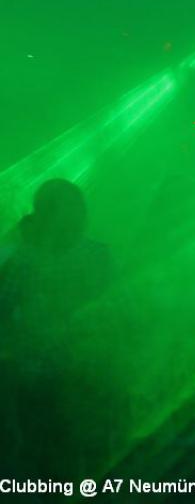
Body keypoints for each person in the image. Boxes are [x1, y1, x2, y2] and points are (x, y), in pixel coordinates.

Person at [0, 179, 115, 481]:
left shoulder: (97, 258)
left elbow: (112, 316)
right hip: (28, 383)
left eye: (79, 214)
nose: (78, 222)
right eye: (69, 214)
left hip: (80, 379)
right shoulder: (14, 261)